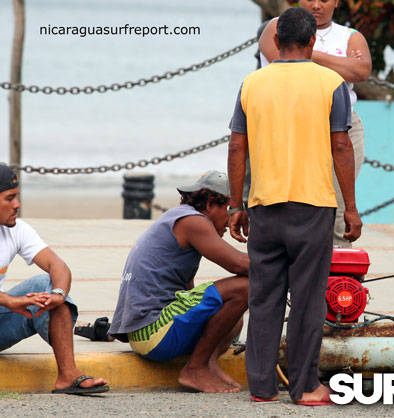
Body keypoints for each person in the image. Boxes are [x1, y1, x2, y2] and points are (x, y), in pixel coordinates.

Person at [228, 8, 362, 405]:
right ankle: (305, 387)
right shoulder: (330, 82)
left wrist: (237, 204)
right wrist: (350, 207)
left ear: (277, 41)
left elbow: (237, 146)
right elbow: (341, 143)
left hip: (264, 207)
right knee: (306, 298)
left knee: (264, 297)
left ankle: (262, 387)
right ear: (312, 42)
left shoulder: (252, 83)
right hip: (313, 206)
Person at [108, 171, 249, 393]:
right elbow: (239, 265)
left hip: (146, 334)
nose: (231, 219)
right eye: (230, 210)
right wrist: (288, 265)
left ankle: (208, 364)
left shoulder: (178, 218)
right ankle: (196, 368)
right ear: (211, 203)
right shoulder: (193, 221)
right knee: (244, 288)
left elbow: (188, 289)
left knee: (234, 321)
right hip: (152, 332)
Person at [258, 0, 372, 248]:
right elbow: (283, 61)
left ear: (337, 2)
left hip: (342, 124)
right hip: (288, 125)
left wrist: (305, 51)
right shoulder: (276, 27)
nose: (317, 5)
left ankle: (341, 279)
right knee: (288, 203)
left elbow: (362, 71)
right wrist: (340, 63)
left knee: (339, 206)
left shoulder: (350, 36)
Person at [0, 164, 109, 394]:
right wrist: (8, 300)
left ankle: (68, 375)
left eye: (17, 197)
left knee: (46, 286)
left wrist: (58, 295)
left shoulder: (15, 229)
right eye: (9, 198)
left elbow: (57, 265)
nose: (17, 205)